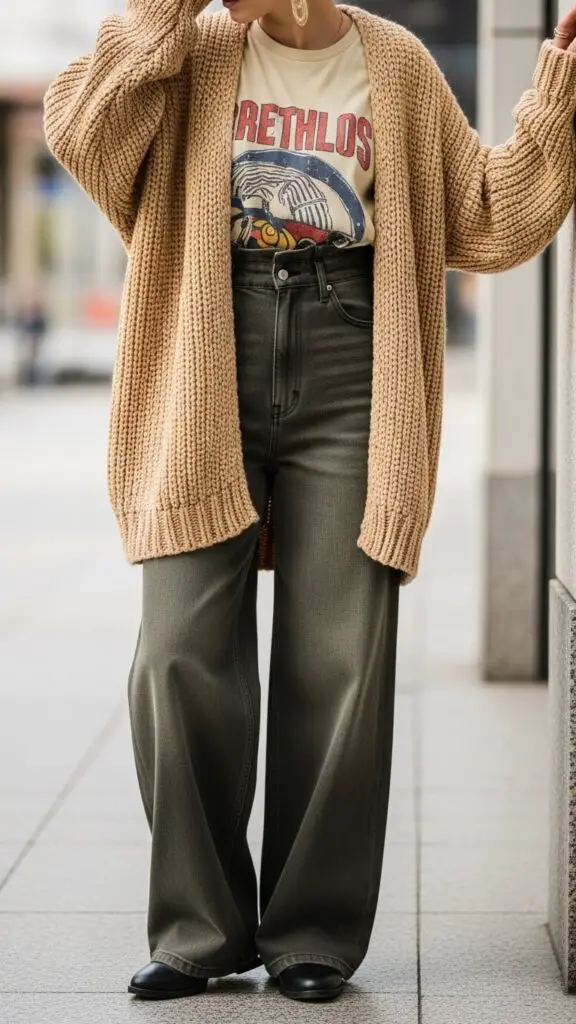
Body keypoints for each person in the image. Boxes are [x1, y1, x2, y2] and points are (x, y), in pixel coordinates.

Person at [43, 0, 576, 1004]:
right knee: (176, 653)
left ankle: (311, 932)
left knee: (340, 654)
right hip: (207, 345)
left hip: (349, 355)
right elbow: (85, 135)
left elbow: (490, 215)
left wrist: (556, 95)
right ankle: (200, 929)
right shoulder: (194, 51)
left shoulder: (401, 66)